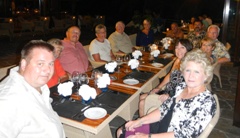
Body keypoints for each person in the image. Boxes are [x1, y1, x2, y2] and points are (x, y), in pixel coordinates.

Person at [117, 49, 216, 138]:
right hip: (160, 127)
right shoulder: (181, 87)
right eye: (188, 70)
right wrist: (140, 121)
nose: (191, 76)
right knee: (122, 131)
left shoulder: (207, 101)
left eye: (197, 72)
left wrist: (148, 137)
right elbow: (163, 109)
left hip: (170, 135)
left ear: (206, 75)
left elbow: (185, 134)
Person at [0, 40, 65, 137]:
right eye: (40, 63)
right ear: (23, 64)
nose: (48, 70)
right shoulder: (9, 99)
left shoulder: (37, 84)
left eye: (51, 64)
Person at [138, 39, 193, 117]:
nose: (178, 50)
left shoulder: (189, 65)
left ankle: (143, 124)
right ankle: (144, 123)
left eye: (182, 47)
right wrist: (159, 87)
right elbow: (170, 75)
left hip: (175, 97)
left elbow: (188, 88)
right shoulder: (178, 60)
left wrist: (170, 96)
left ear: (188, 50)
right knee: (142, 97)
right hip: (168, 90)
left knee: (142, 102)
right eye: (177, 47)